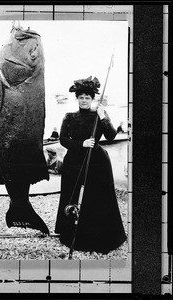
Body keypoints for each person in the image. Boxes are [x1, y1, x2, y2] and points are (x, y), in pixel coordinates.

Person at [55, 76, 127, 254]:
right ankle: (69, 232)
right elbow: (63, 139)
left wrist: (103, 117)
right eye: (81, 97)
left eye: (88, 97)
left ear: (92, 99)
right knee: (71, 195)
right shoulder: (69, 117)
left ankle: (96, 235)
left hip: (97, 161)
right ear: (77, 99)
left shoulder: (99, 116)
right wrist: (81, 144)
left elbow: (110, 136)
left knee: (97, 197)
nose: (84, 100)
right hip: (74, 161)